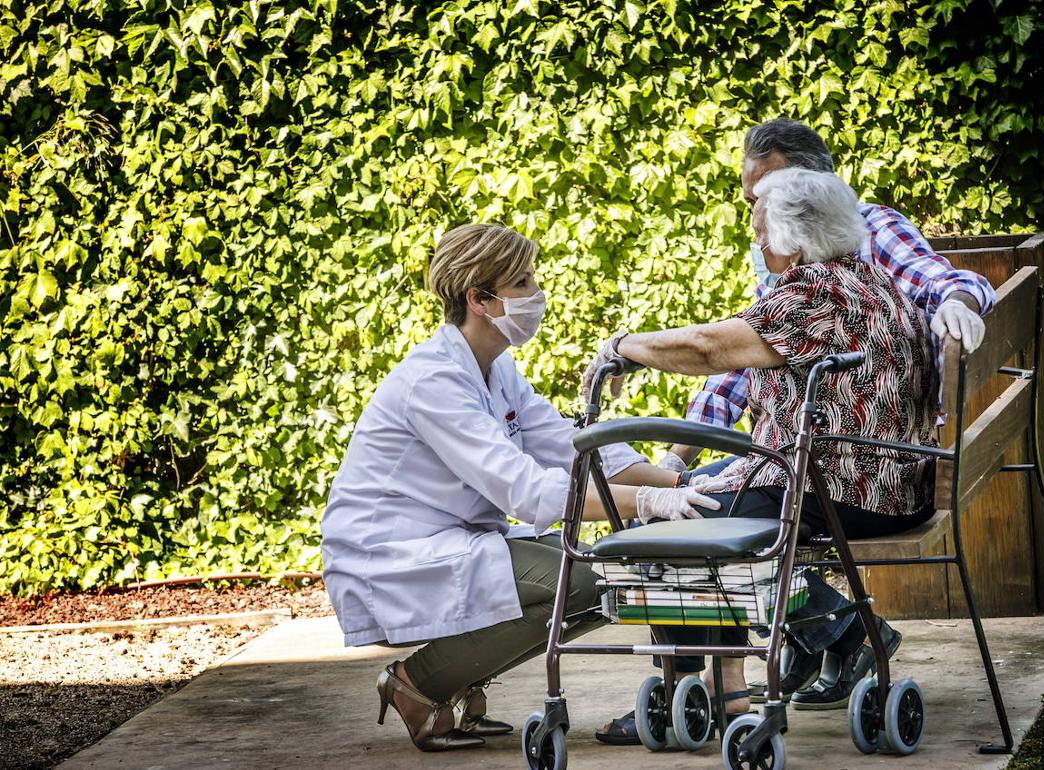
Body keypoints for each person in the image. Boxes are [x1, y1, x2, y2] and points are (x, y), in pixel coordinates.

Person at [320, 223, 719, 753]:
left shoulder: (497, 367)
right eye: (524, 283)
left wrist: (679, 482)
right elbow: (528, 492)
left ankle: (452, 681)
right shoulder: (433, 382)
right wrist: (649, 502)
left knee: (616, 566)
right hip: (391, 553)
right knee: (595, 575)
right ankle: (418, 685)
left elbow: (575, 448)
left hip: (459, 540)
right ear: (480, 299)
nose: (538, 295)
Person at [648, 118, 996, 719]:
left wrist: (960, 306)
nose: (755, 212)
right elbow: (748, 355)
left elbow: (942, 283)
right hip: (865, 467)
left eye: (765, 194)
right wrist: (679, 456)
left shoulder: (855, 247)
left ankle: (714, 697)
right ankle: (829, 635)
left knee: (680, 527)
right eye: (750, 196)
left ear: (809, 189)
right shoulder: (817, 270)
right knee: (680, 493)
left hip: (842, 471)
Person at [583, 168, 940, 742]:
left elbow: (707, 349)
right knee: (696, 491)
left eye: (759, 229)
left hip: (840, 485)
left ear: (794, 238)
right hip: (881, 480)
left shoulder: (815, 293)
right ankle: (729, 680)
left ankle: (698, 692)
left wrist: (621, 346)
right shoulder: (870, 282)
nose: (754, 241)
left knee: (681, 514)